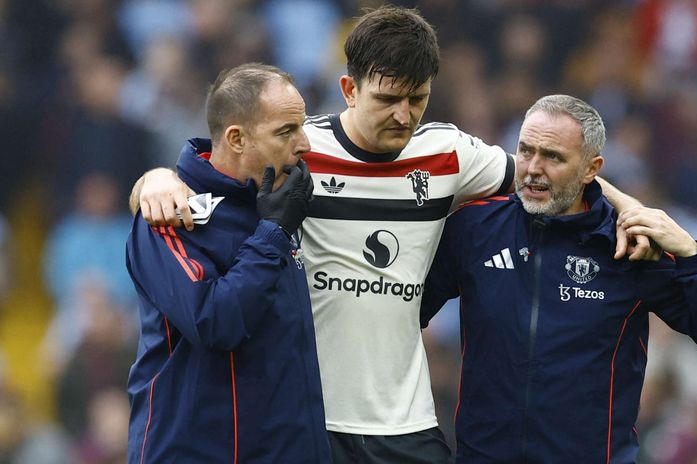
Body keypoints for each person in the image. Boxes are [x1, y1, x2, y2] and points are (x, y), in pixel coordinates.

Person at [129, 7, 650, 463]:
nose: (404, 115)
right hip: (311, 422)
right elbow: (225, 164)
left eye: (418, 98)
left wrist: (632, 206)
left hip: (407, 424)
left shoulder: (450, 155)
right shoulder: (299, 150)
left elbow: (547, 176)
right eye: (388, 99)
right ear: (349, 89)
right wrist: (155, 179)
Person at [420, 95, 697, 463]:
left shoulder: (630, 245)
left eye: (553, 157)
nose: (532, 169)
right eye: (526, 151)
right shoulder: (476, 227)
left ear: (591, 169)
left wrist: (692, 253)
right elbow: (404, 313)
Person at [125, 63, 330, 463]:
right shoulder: (169, 216)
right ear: (236, 138)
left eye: (302, 126)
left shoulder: (287, 192)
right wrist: (272, 232)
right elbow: (215, 321)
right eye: (287, 132)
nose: (305, 143)